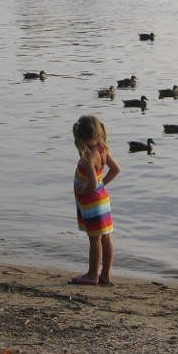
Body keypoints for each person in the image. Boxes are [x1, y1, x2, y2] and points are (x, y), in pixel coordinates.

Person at [70, 115, 121, 285]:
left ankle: (92, 275)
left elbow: (91, 182)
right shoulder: (102, 149)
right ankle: (105, 274)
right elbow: (115, 169)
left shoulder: (88, 157)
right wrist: (102, 184)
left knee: (94, 239)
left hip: (91, 202)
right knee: (106, 237)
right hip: (102, 200)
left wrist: (83, 190)